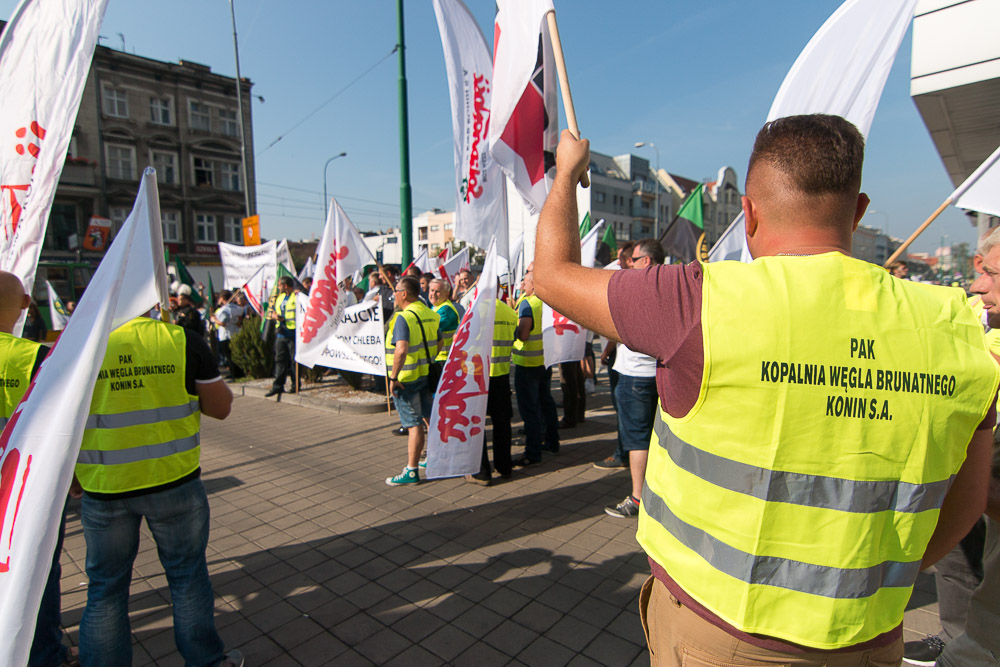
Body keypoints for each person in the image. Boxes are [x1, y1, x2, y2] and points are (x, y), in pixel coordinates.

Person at [533, 116, 998, 663]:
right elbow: (967, 507)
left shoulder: (697, 300)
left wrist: (566, 174)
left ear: (748, 212)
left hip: (722, 636)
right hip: (872, 636)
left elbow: (550, 274)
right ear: (860, 209)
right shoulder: (959, 328)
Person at [73, 314, 241, 667]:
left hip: (104, 488)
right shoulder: (181, 340)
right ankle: (206, 662)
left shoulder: (78, 342)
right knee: (187, 577)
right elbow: (220, 409)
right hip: (173, 483)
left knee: (105, 588)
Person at [0, 273, 72, 667]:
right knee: (37, 567)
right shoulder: (33, 357)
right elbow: (58, 424)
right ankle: (45, 653)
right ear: (26, 304)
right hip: (23, 487)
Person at [604, 238, 665, 519]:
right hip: (657, 373)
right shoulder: (668, 289)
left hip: (634, 376)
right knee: (655, 437)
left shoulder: (637, 291)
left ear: (647, 262)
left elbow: (617, 327)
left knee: (637, 440)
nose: (630, 263)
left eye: (634, 260)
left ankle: (638, 498)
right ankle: (657, 493)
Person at [385, 276, 440, 486]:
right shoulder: (430, 313)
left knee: (413, 425)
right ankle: (434, 457)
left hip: (405, 380)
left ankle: (411, 470)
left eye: (396, 292)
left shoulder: (403, 317)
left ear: (404, 294)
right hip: (425, 374)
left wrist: (393, 377)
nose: (394, 296)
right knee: (429, 419)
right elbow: (440, 340)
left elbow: (401, 349)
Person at [511, 263, 559, 466]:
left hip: (527, 362)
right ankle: (552, 442)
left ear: (533, 286)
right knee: (546, 403)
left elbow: (523, 333)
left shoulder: (528, 304)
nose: (522, 284)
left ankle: (533, 452)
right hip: (545, 361)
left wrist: (513, 333)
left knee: (530, 409)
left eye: (525, 281)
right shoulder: (547, 301)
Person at [468, 288, 517, 485]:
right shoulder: (508, 311)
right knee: (502, 423)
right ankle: (504, 466)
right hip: (502, 374)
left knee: (476, 424)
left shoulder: (476, 311)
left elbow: (463, 341)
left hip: (479, 376)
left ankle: (481, 472)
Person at [265, 276, 297, 397]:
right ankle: (278, 386)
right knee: (280, 360)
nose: (278, 287)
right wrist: (274, 316)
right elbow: (273, 310)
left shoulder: (296, 296)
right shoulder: (280, 298)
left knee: (294, 361)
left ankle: (295, 385)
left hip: (292, 333)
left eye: (279, 285)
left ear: (285, 285)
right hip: (281, 333)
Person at [429, 278, 464, 363]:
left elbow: (430, 329)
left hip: (443, 359)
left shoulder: (446, 310)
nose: (433, 294)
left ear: (447, 294)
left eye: (437, 291)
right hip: (438, 357)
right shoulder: (436, 306)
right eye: (432, 290)